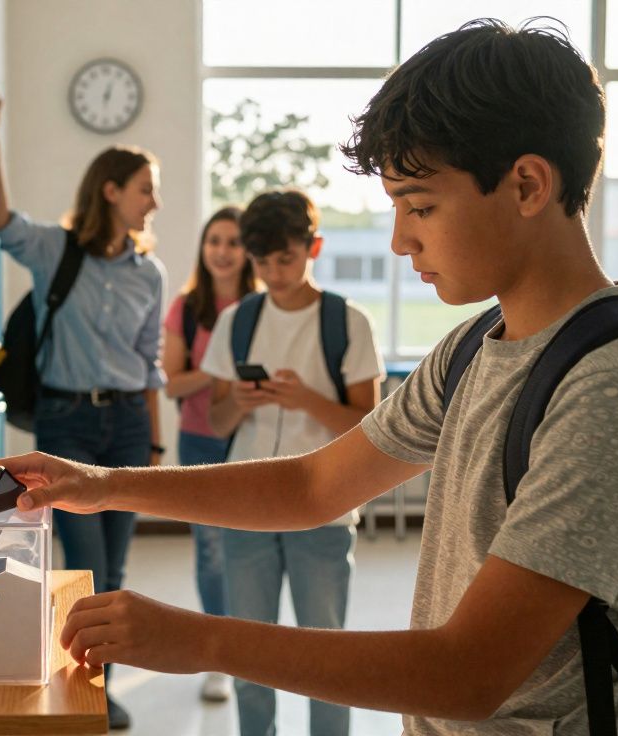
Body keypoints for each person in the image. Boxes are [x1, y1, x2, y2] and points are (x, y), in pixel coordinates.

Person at [0, 20, 618, 736]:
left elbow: (470, 674)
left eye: (419, 206)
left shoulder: (617, 385)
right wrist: (97, 485)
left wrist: (199, 640)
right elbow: (314, 486)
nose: (399, 240)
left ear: (526, 185)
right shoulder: (476, 347)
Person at [0, 86, 166, 731]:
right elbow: (0, 218)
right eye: (146, 188)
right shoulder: (56, 249)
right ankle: (77, 678)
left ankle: (98, 685)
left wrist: (155, 442)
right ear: (112, 190)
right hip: (67, 422)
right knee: (84, 561)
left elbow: (150, 364)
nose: (155, 202)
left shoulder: (150, 274)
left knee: (114, 566)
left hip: (126, 425)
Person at [201, 190, 383, 736]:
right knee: (248, 652)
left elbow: (369, 427)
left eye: (285, 258)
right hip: (246, 508)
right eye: (262, 262)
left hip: (324, 509)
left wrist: (306, 400)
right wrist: (240, 400)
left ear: (313, 248)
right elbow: (216, 422)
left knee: (326, 656)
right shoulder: (238, 319)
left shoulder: (347, 322)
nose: (274, 273)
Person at [160, 205, 256, 703]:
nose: (222, 251)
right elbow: (172, 382)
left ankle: (253, 652)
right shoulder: (187, 306)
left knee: (254, 550)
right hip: (200, 440)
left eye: (233, 242)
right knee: (213, 551)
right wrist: (220, 372)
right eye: (214, 240)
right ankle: (219, 657)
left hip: (255, 442)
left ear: (248, 252)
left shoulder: (263, 306)